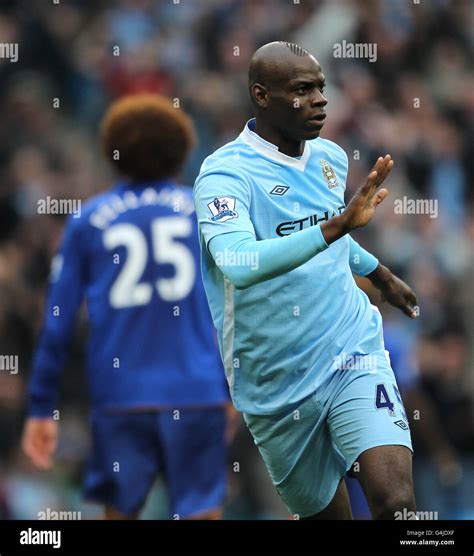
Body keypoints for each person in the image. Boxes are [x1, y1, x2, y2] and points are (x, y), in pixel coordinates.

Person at [193, 41, 419, 520]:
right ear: (260, 94)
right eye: (302, 90)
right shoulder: (224, 175)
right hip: (273, 384)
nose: (320, 99)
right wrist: (337, 227)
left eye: (320, 87)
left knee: (396, 503)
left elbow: (322, 236)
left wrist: (378, 273)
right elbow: (239, 260)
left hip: (350, 349)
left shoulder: (330, 158)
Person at [22, 94, 231, 520]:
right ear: (180, 151)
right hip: (195, 393)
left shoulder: (89, 220)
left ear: (113, 152)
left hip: (121, 397)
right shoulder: (203, 215)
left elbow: (57, 321)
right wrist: (233, 391)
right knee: (202, 514)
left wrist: (42, 406)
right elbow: (239, 308)